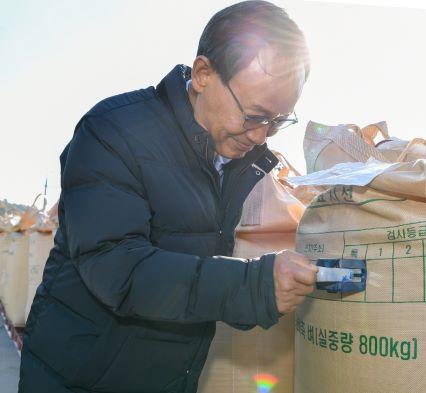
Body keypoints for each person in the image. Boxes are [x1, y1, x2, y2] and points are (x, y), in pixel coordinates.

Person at [18, 2, 317, 392]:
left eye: (279, 121)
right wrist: (253, 286)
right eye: (255, 115)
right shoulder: (113, 131)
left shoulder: (236, 159)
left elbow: (193, 265)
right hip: (80, 377)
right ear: (204, 73)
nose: (262, 135)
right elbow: (117, 270)